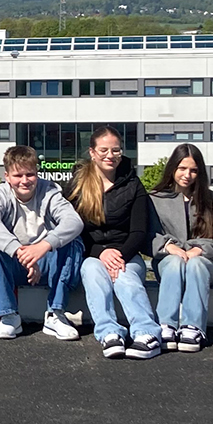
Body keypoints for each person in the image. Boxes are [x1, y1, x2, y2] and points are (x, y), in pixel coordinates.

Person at [70, 127, 160, 360]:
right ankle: (109, 333)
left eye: (116, 150)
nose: (110, 155)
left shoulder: (133, 184)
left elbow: (139, 231)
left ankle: (147, 334)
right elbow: (74, 230)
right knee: (91, 271)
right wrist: (101, 252)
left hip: (127, 254)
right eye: (104, 150)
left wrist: (118, 257)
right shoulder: (77, 185)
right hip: (93, 254)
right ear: (92, 152)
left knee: (125, 277)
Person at [0, 145, 85, 341]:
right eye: (18, 175)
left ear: (37, 173)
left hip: (46, 264)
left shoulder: (50, 192)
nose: (24, 181)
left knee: (72, 243)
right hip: (11, 264)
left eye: (30, 174)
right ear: (7, 176)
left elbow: (74, 222)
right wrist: (20, 252)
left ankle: (55, 313)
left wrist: (43, 247)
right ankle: (9, 316)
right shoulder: (0, 194)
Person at [147, 144, 213, 353]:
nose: (187, 175)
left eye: (193, 170)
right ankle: (166, 324)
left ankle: (192, 327)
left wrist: (198, 249)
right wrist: (169, 247)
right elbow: (149, 234)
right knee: (174, 263)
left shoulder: (211, 200)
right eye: (182, 168)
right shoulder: (155, 198)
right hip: (168, 258)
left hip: (202, 259)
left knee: (196, 265)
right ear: (173, 168)